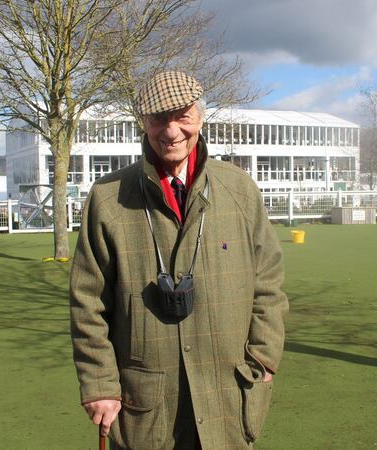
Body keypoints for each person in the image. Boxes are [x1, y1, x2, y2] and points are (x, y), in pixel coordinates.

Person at [70, 71, 288, 449]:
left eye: (182, 116)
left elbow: (268, 283)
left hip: (228, 392)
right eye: (158, 118)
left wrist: (263, 359)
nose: (171, 131)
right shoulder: (107, 199)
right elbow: (87, 301)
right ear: (143, 123)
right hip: (146, 404)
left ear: (200, 118)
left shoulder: (239, 190)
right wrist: (100, 384)